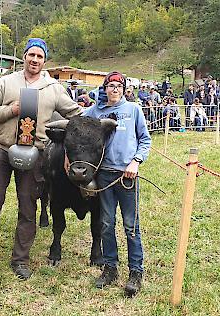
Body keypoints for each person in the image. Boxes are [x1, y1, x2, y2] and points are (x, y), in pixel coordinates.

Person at [0, 38, 83, 281]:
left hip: (35, 152)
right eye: (31, 55)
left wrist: (102, 114)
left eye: (40, 56)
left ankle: (20, 260)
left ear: (44, 60)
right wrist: (10, 110)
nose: (35, 60)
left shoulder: (53, 88)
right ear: (24, 56)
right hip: (1, 149)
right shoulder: (5, 82)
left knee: (28, 207)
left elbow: (76, 113)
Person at [83, 71, 151, 297]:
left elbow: (145, 139)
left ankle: (135, 272)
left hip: (127, 176)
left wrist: (136, 162)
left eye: (118, 86)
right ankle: (110, 267)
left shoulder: (133, 110)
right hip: (104, 176)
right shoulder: (94, 112)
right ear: (104, 89)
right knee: (106, 223)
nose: (114, 89)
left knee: (131, 225)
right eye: (110, 85)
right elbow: (78, 123)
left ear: (124, 89)